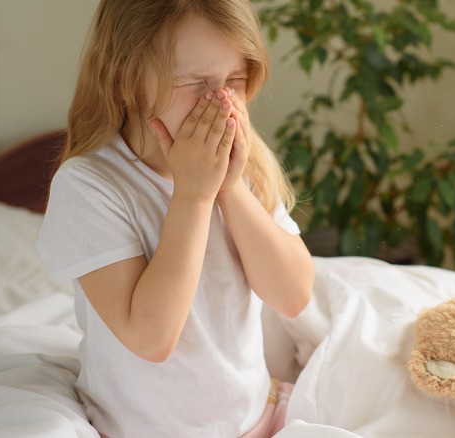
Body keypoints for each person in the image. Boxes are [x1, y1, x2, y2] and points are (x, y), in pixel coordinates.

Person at [36, 1, 315, 436]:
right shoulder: (90, 185)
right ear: (127, 81)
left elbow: (294, 295)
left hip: (256, 418)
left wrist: (229, 187)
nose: (221, 102)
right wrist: (193, 195)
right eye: (197, 83)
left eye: (235, 80)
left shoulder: (245, 162)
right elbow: (151, 339)